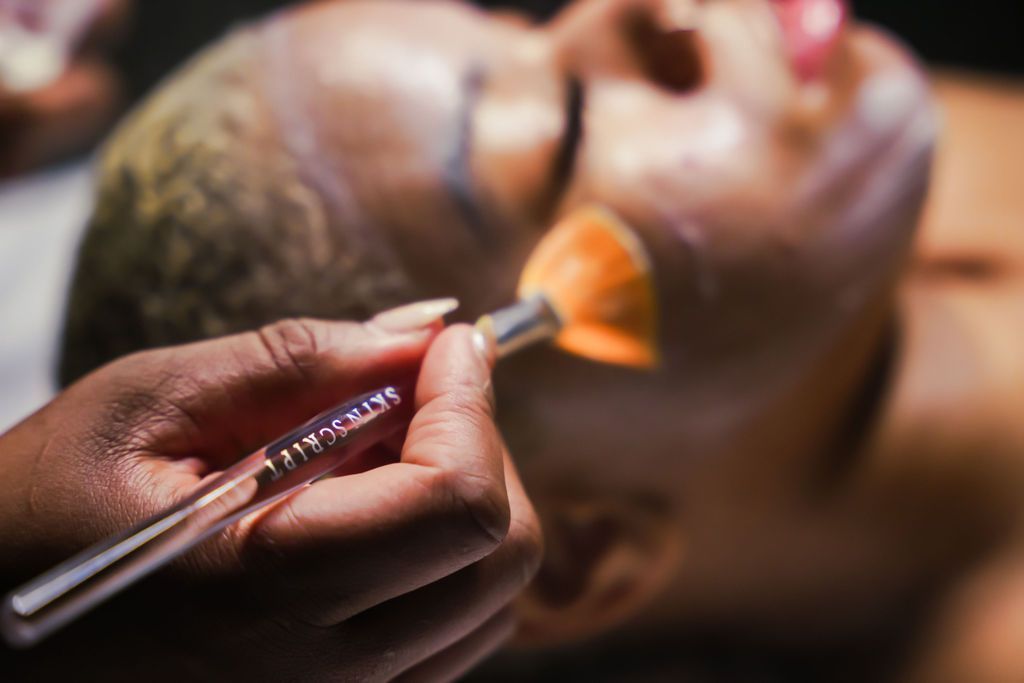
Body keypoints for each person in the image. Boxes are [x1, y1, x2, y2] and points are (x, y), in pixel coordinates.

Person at [4, 0, 1024, 680]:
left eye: (529, 22)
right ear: (576, 553)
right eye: (572, 124)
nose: (647, 15)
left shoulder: (867, 158)